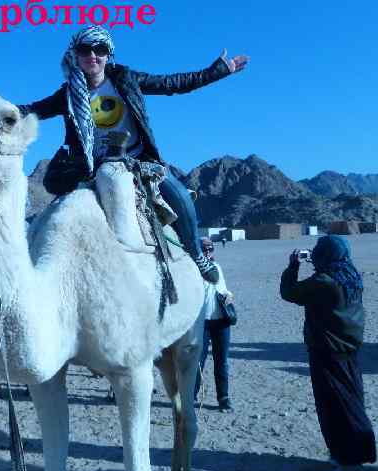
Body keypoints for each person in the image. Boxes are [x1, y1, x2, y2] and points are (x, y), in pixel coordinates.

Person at [18, 25, 248, 283]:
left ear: (109, 54)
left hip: (139, 162)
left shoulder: (126, 79)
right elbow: (33, 109)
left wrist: (218, 71)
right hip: (90, 169)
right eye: (85, 50)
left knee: (180, 197)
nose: (92, 55)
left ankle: (196, 254)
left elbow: (173, 84)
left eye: (100, 49)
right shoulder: (68, 94)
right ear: (76, 55)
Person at [280, 236, 376, 471]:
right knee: (350, 400)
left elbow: (289, 293)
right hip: (348, 348)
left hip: (328, 350)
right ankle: (347, 454)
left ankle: (349, 462)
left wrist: (293, 266)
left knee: (335, 405)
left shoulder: (324, 281)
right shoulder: (351, 277)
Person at [193, 237, 235, 413]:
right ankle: (192, 395)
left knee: (221, 361)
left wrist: (229, 295)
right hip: (200, 322)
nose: (208, 252)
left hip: (221, 321)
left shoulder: (217, 267)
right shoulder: (191, 269)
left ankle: (223, 398)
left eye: (210, 249)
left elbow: (222, 288)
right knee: (198, 361)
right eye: (204, 249)